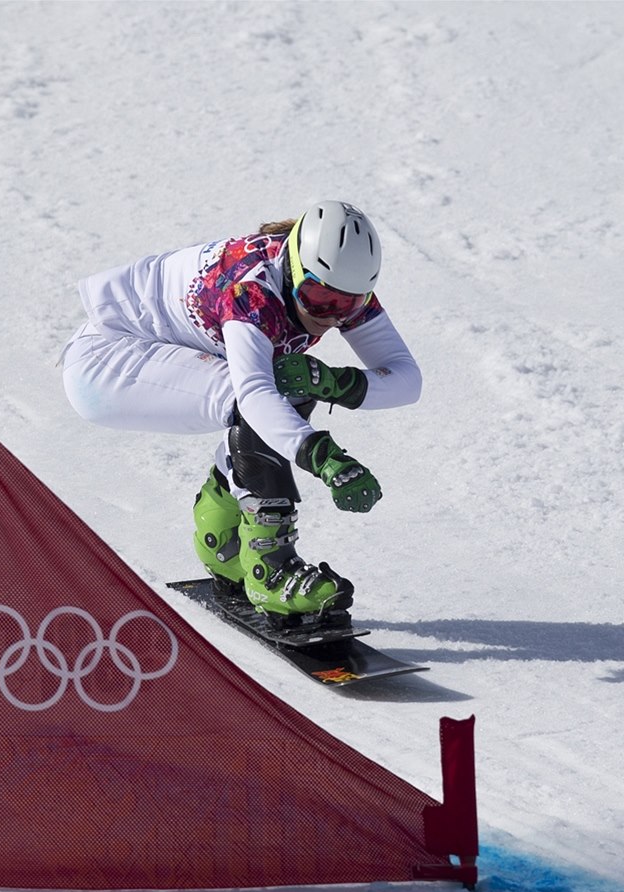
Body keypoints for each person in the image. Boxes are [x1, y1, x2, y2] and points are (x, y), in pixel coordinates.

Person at [60, 200, 422, 622]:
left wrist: (333, 382)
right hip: (106, 361)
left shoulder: (333, 280)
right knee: (264, 397)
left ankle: (223, 541)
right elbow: (253, 394)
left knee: (292, 381)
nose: (330, 316)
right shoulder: (253, 290)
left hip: (152, 350)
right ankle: (271, 570)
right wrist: (324, 458)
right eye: (319, 299)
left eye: (349, 307)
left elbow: (407, 379)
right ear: (295, 269)